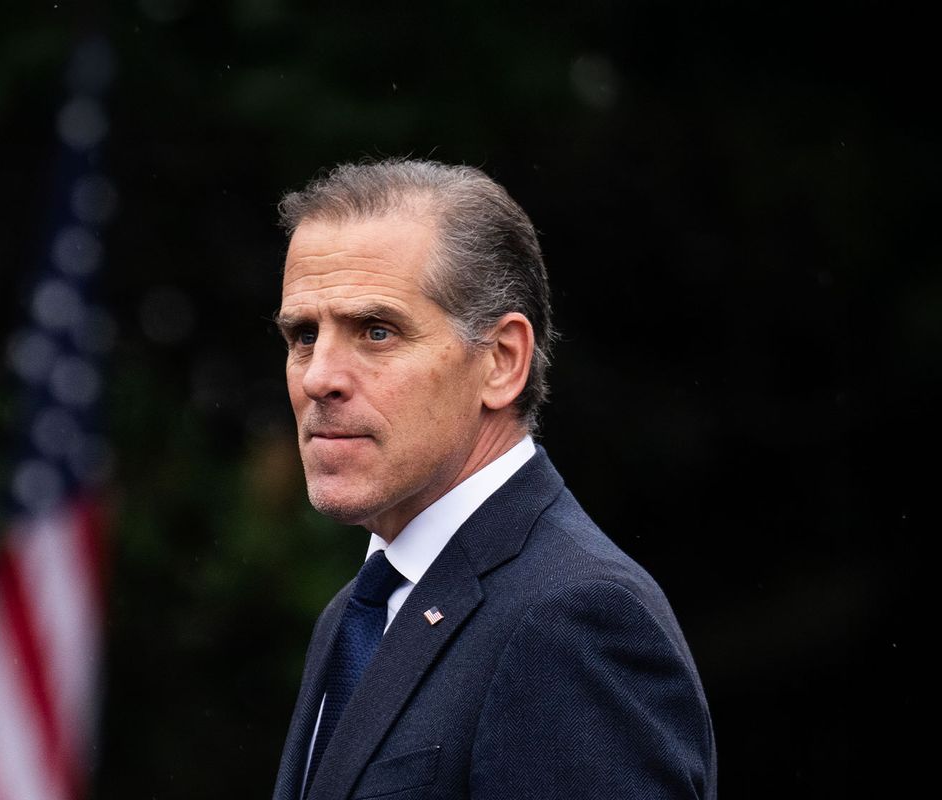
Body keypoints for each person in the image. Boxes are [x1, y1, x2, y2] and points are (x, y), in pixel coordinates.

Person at [271, 159, 716, 800]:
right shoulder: (360, 612)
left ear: (502, 362)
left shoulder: (572, 619)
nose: (319, 377)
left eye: (376, 331)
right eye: (304, 335)